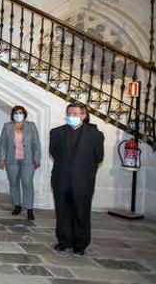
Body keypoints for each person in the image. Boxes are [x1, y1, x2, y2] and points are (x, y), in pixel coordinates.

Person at [49, 103, 104, 256]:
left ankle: (80, 244)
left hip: (83, 181)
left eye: (75, 113)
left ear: (83, 116)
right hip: (61, 179)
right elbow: (53, 152)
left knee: (82, 213)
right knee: (62, 213)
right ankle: (63, 241)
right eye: (69, 113)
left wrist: (82, 171)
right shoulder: (56, 133)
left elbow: (98, 157)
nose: (71, 116)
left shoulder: (95, 135)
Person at [0, 105, 41, 220]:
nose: (18, 115)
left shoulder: (31, 126)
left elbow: (36, 143)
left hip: (28, 160)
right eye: (16, 113)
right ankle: (17, 205)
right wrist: (2, 158)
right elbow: (3, 144)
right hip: (12, 160)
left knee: (27, 183)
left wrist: (37, 158)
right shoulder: (7, 126)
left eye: (20, 112)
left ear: (24, 114)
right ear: (12, 115)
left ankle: (29, 208)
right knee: (13, 182)